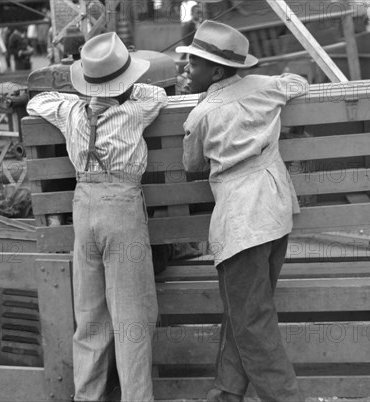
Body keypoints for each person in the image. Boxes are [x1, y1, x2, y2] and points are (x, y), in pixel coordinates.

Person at [27, 32, 167, 401]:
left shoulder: (70, 112)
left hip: (83, 207)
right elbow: (158, 95)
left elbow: (38, 101)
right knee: (131, 316)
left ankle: (87, 396)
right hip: (121, 207)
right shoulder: (134, 110)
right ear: (124, 81)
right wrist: (123, 93)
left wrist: (81, 100)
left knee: (89, 317)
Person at [176, 20, 309, 402]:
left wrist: (203, 104)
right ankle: (227, 390)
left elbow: (193, 165)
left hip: (242, 223)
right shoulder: (267, 87)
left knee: (252, 320)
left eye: (194, 64)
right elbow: (297, 82)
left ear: (216, 71)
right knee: (247, 308)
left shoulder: (201, 115)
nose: (186, 69)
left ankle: (285, 398)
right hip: (276, 211)